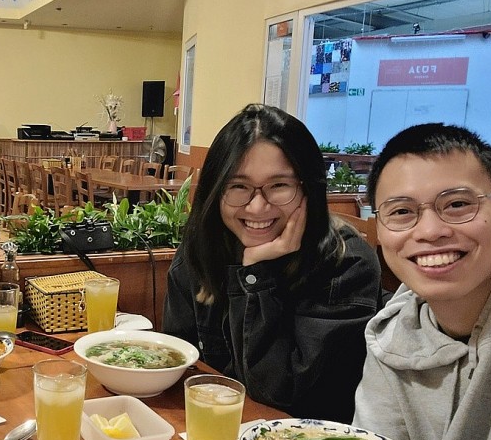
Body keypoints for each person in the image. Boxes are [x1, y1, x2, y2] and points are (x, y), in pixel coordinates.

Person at [163, 104, 383, 422]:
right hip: (212, 433)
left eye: (279, 186)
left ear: (310, 188)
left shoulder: (345, 266)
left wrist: (254, 274)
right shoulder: (205, 246)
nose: (257, 207)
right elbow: (177, 359)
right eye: (238, 186)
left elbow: (276, 396)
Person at [352, 123, 491, 440]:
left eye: (456, 205)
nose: (432, 231)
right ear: (380, 231)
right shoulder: (391, 335)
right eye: (402, 212)